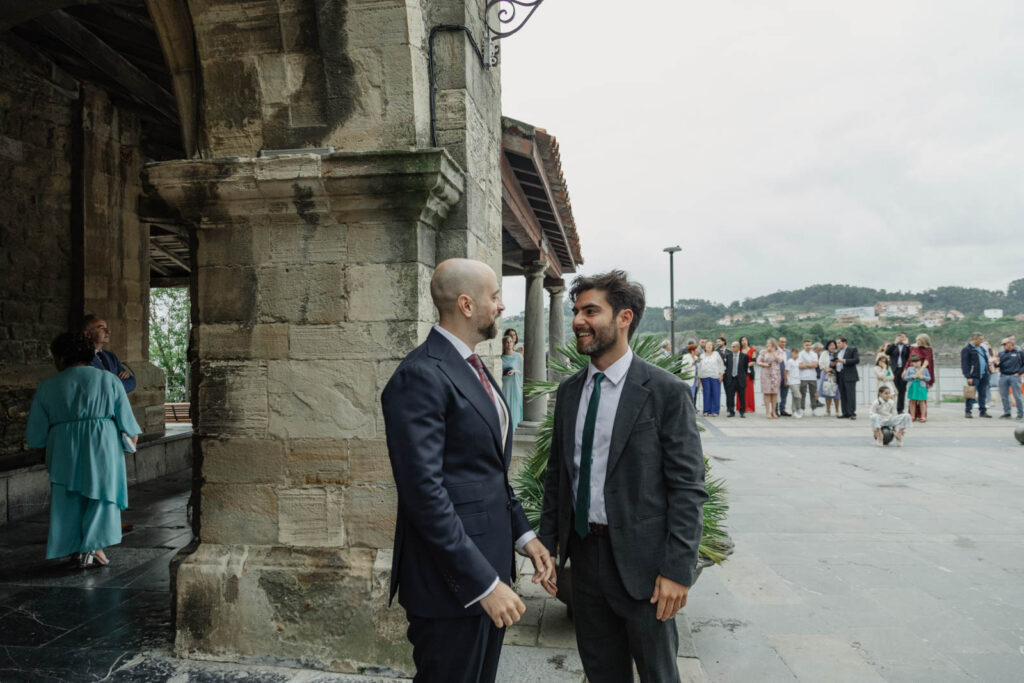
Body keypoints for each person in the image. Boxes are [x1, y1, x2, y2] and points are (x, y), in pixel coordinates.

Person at [380, 258, 553, 683]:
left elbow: (486, 473)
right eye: (495, 296)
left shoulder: (473, 366)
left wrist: (525, 537)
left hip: (490, 570)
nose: (501, 306)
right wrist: (483, 584)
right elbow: (424, 494)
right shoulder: (420, 375)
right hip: (451, 586)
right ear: (466, 304)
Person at [537, 270, 707, 683]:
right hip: (584, 562)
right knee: (601, 673)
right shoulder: (569, 392)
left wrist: (678, 570)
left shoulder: (666, 391)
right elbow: (558, 474)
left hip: (645, 569)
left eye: (590, 311)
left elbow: (687, 487)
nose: (578, 321)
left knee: (658, 675)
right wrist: (547, 543)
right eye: (577, 311)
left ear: (624, 318)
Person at [26, 332, 140, 568]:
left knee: (68, 497)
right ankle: (94, 546)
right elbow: (126, 421)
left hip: (63, 443)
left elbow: (36, 430)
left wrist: (41, 447)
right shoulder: (108, 380)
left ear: (61, 357)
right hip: (102, 441)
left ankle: (74, 546)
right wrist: (130, 438)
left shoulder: (47, 386)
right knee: (102, 494)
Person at [81, 315, 135, 393]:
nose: (108, 331)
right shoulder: (82, 358)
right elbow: (96, 387)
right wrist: (118, 382)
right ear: (88, 334)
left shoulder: (111, 356)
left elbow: (132, 382)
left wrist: (110, 387)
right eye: (101, 328)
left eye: (106, 328)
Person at [961, 332, 992, 419]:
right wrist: (968, 376)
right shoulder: (967, 349)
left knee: (983, 394)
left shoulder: (981, 348)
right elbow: (965, 364)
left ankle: (983, 411)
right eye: (980, 339)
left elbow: (985, 359)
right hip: (974, 375)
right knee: (970, 394)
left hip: (984, 374)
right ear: (975, 339)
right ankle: (968, 411)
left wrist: (987, 370)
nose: (982, 341)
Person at [995, 337, 1024, 419]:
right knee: (1004, 396)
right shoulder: (1001, 354)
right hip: (1003, 376)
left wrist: (1019, 372)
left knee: (1017, 395)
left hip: (1014, 376)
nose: (1004, 346)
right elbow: (997, 365)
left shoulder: (1019, 353)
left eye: (1005, 344)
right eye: (1002, 344)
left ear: (1011, 343)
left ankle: (1020, 412)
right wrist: (995, 363)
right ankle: (1007, 412)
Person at [756, 338, 784, 419]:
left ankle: (774, 412)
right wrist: (765, 364)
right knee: (767, 393)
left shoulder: (779, 352)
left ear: (773, 344)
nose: (767, 345)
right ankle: (767, 412)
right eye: (767, 343)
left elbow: (780, 360)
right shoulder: (763, 352)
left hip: (776, 374)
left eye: (769, 343)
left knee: (775, 393)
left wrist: (773, 352)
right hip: (765, 373)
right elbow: (758, 361)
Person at [501, 333, 524, 433]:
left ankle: (514, 429)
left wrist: (514, 372)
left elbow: (523, 372)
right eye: (507, 342)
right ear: (503, 344)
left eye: (510, 341)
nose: (509, 343)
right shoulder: (501, 357)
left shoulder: (518, 356)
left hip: (515, 386)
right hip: (504, 385)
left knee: (514, 407)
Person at [885, 333, 912, 413]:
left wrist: (907, 345)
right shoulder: (892, 346)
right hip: (894, 369)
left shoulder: (908, 347)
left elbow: (910, 355)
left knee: (902, 390)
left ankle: (900, 409)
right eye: (900, 336)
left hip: (903, 370)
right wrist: (895, 343)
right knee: (891, 389)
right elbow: (887, 352)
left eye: (903, 337)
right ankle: (888, 408)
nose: (901, 338)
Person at [697, 340, 725, 417]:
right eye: (707, 345)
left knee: (716, 394)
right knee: (706, 394)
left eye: (710, 345)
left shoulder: (716, 354)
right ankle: (706, 411)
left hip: (715, 377)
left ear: (713, 347)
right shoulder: (701, 355)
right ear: (705, 347)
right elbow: (699, 367)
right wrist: (698, 377)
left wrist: (721, 374)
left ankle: (715, 411)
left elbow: (721, 365)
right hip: (704, 377)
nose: (709, 346)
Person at [835, 337, 860, 419]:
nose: (837, 345)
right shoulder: (837, 352)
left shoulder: (852, 349)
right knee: (843, 394)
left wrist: (844, 361)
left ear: (844, 342)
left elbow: (856, 360)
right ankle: (845, 412)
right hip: (840, 374)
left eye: (839, 343)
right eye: (837, 343)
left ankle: (852, 413)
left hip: (850, 375)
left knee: (850, 394)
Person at [723, 341, 749, 418]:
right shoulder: (728, 356)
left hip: (740, 379)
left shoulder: (744, 356)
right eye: (732, 346)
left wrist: (742, 376)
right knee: (730, 396)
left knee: (742, 396)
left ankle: (742, 412)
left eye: (734, 347)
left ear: (738, 347)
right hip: (731, 379)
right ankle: (731, 411)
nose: (732, 348)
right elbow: (727, 367)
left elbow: (745, 368)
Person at [903, 354, 931, 422]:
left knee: (922, 401)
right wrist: (912, 376)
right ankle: (912, 416)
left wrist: (923, 377)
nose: (917, 363)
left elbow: (929, 378)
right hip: (912, 386)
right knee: (912, 401)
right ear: (912, 363)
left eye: (918, 361)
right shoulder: (909, 369)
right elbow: (905, 378)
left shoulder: (925, 369)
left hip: (921, 386)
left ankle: (923, 416)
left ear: (920, 362)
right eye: (915, 362)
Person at [797, 340, 820, 417]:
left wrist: (806, 365)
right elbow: (800, 365)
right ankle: (802, 409)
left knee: (813, 393)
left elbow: (815, 365)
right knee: (802, 394)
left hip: (813, 376)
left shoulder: (814, 354)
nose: (808, 346)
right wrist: (810, 365)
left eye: (809, 345)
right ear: (803, 345)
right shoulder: (800, 354)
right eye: (806, 345)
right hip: (802, 376)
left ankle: (814, 409)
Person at [818, 340, 840, 416]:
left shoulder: (838, 353)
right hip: (826, 374)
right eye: (830, 345)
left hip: (836, 374)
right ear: (827, 346)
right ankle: (828, 410)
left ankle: (837, 411)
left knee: (837, 392)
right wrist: (826, 369)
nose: (832, 347)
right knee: (827, 391)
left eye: (833, 345)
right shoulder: (824, 353)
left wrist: (833, 370)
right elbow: (820, 363)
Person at [739, 336, 757, 413]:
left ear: (747, 341)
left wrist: (746, 365)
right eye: (742, 340)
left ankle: (749, 407)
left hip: (749, 372)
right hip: (740, 372)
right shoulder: (739, 350)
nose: (744, 342)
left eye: (745, 340)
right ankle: (741, 407)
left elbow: (754, 361)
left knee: (749, 390)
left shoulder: (752, 350)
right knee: (741, 389)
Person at [785, 348, 803, 418]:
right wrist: (785, 381)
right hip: (792, 381)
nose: (796, 355)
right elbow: (786, 372)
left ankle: (794, 411)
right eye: (795, 353)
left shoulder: (798, 361)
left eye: (797, 353)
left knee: (794, 397)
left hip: (798, 381)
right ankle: (798, 409)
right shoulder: (790, 361)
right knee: (798, 396)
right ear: (792, 354)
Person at [777, 336, 791, 416]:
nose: (783, 343)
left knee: (784, 393)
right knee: (776, 393)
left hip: (786, 375)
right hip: (777, 374)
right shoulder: (775, 351)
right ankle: (775, 410)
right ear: (778, 342)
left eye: (785, 342)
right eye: (782, 342)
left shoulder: (788, 352)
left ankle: (782, 409)